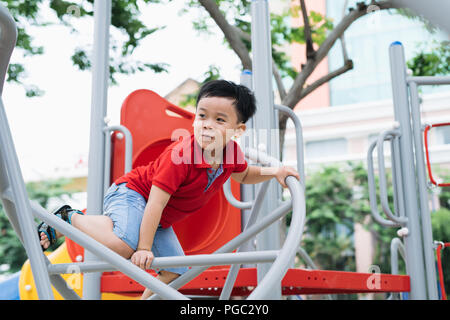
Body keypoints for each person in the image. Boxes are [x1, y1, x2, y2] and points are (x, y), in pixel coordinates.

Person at [38, 80, 300, 300]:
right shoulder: (181, 155)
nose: (207, 124)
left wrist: (273, 172)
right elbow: (154, 202)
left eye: (220, 119)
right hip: (132, 193)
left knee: (176, 271)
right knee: (124, 245)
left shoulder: (231, 153)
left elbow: (244, 174)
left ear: (238, 130)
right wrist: (144, 247)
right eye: (202, 116)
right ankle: (68, 217)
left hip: (159, 218)